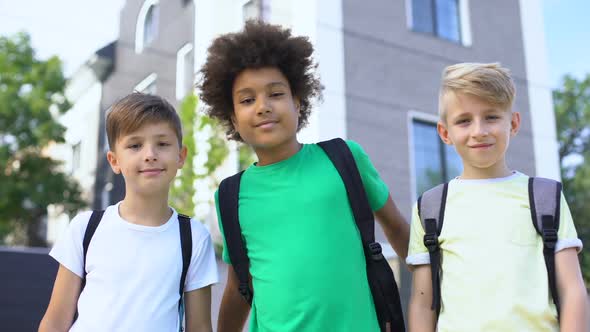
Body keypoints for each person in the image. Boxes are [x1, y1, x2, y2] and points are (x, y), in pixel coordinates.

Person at [197, 20, 410, 332]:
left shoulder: (344, 158)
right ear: (233, 119)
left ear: (297, 102)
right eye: (247, 100)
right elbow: (239, 285)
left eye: (276, 94)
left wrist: (430, 293)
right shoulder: (230, 195)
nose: (262, 107)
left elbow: (397, 228)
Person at [407, 62, 588, 331]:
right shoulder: (431, 207)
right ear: (445, 133)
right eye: (463, 120)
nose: (479, 130)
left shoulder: (545, 197)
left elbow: (573, 292)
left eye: (491, 117)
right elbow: (422, 305)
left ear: (513, 123)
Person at [39, 93, 218, 332]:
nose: (150, 154)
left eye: (162, 144)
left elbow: (200, 328)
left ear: (181, 156)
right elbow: (55, 322)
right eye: (135, 145)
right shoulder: (85, 228)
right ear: (114, 161)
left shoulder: (194, 237)